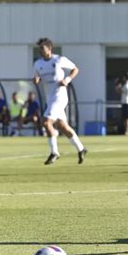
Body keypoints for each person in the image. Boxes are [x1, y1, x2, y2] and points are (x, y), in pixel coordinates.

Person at [33, 37, 88, 165]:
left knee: (46, 122)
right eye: (39, 49)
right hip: (50, 98)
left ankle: (54, 152)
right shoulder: (38, 64)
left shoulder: (59, 60)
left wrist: (67, 80)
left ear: (49, 49)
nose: (40, 51)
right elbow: (37, 75)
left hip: (60, 97)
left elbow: (75, 69)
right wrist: (36, 79)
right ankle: (81, 149)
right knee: (63, 127)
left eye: (42, 48)